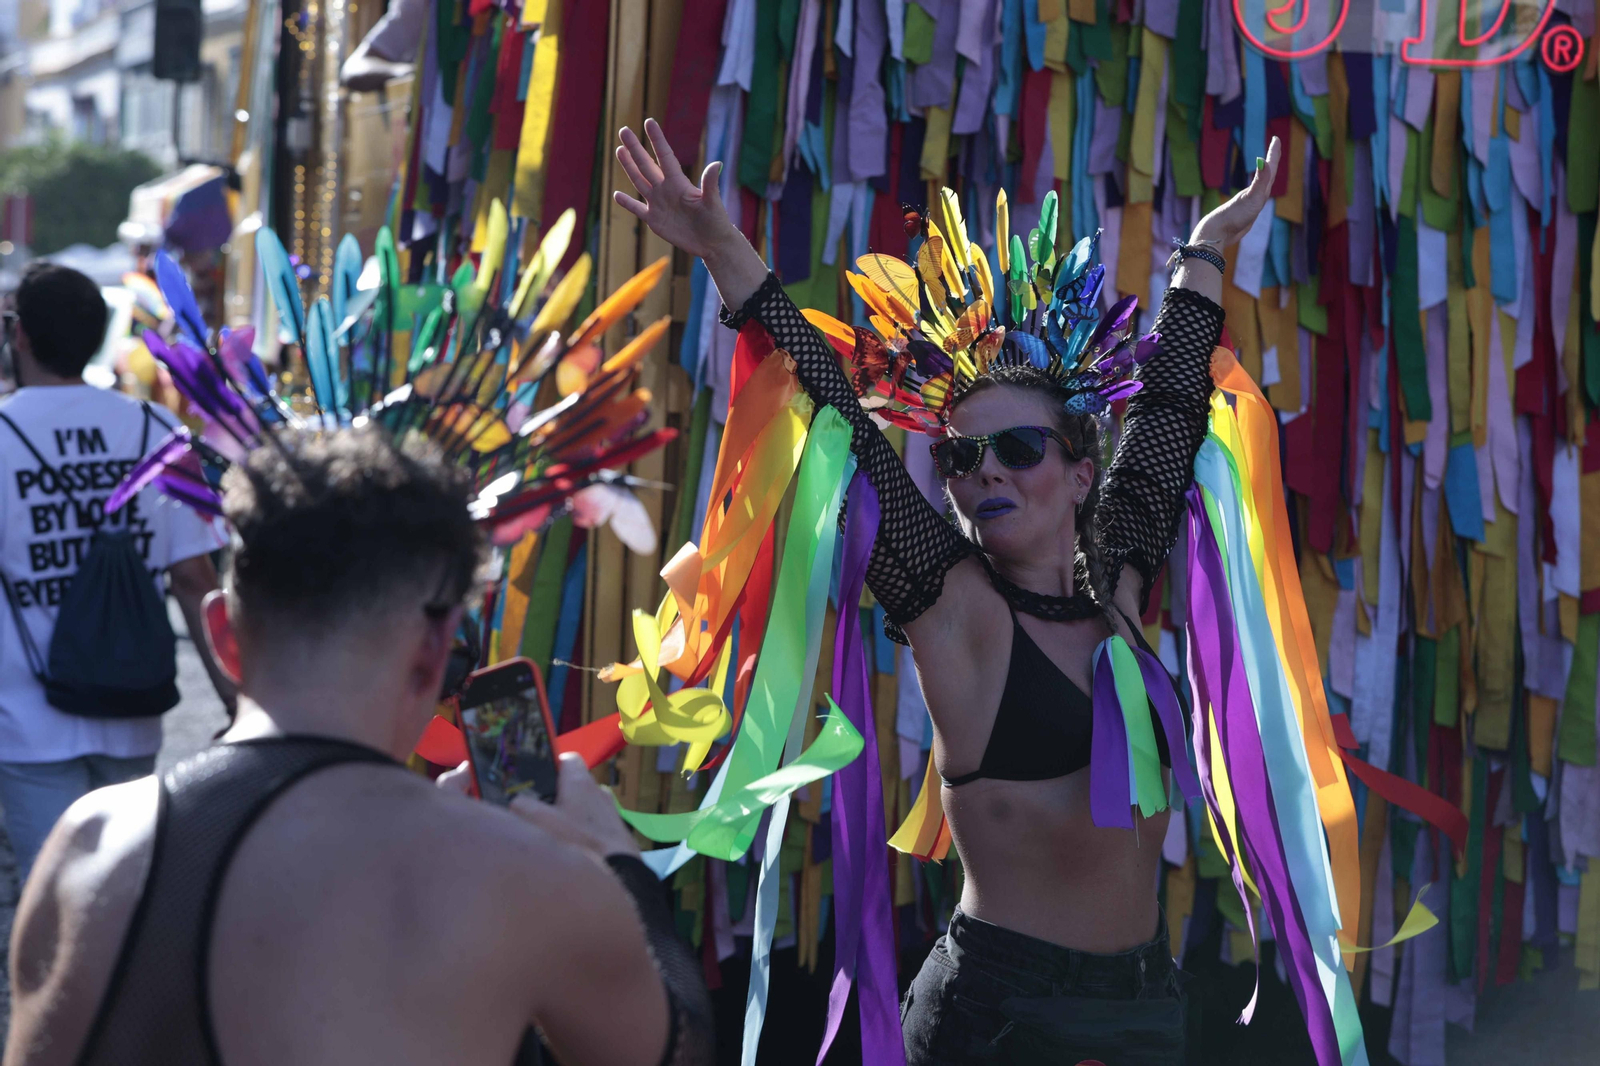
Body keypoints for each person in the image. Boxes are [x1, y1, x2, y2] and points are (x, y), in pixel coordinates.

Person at [615, 118, 1281, 1064]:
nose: (984, 476)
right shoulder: (952, 605)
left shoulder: (1120, 579)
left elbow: (1173, 403)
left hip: (1144, 1008)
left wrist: (1208, 249)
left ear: (1082, 472)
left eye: (1017, 450)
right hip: (1002, 1017)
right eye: (963, 458)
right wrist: (726, 249)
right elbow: (833, 416)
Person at [5, 427, 714, 1066]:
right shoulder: (519, 877)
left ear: (223, 636)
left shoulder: (88, 847)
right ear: (436, 649)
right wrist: (621, 867)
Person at [0, 263, 232, 883]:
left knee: (49, 895)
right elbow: (194, 581)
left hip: (25, 716)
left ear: (19, 335)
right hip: (131, 706)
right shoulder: (156, 431)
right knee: (123, 894)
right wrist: (237, 699)